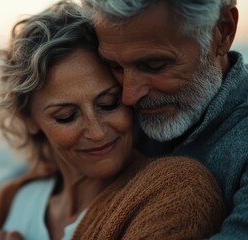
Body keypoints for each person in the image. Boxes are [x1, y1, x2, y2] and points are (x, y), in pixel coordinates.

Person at [0, 1, 226, 239]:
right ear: (28, 119)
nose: (97, 132)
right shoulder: (12, 198)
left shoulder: (176, 190)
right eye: (66, 116)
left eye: (108, 104)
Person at [81, 0, 248, 238]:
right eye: (114, 67)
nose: (129, 95)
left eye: (154, 65)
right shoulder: (113, 110)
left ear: (223, 30)